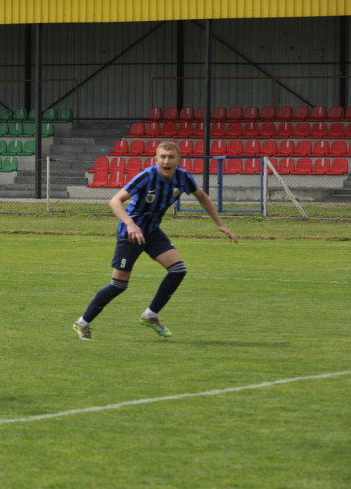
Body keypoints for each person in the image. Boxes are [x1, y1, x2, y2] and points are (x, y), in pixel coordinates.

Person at [72, 140, 239, 341]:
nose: (166, 161)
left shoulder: (183, 178)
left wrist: (220, 224)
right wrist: (130, 224)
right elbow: (115, 201)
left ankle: (150, 315)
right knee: (118, 285)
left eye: (171, 157)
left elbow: (202, 197)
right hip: (131, 234)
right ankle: (82, 323)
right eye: (163, 157)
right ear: (156, 159)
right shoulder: (146, 177)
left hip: (152, 233)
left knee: (178, 270)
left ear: (178, 160)